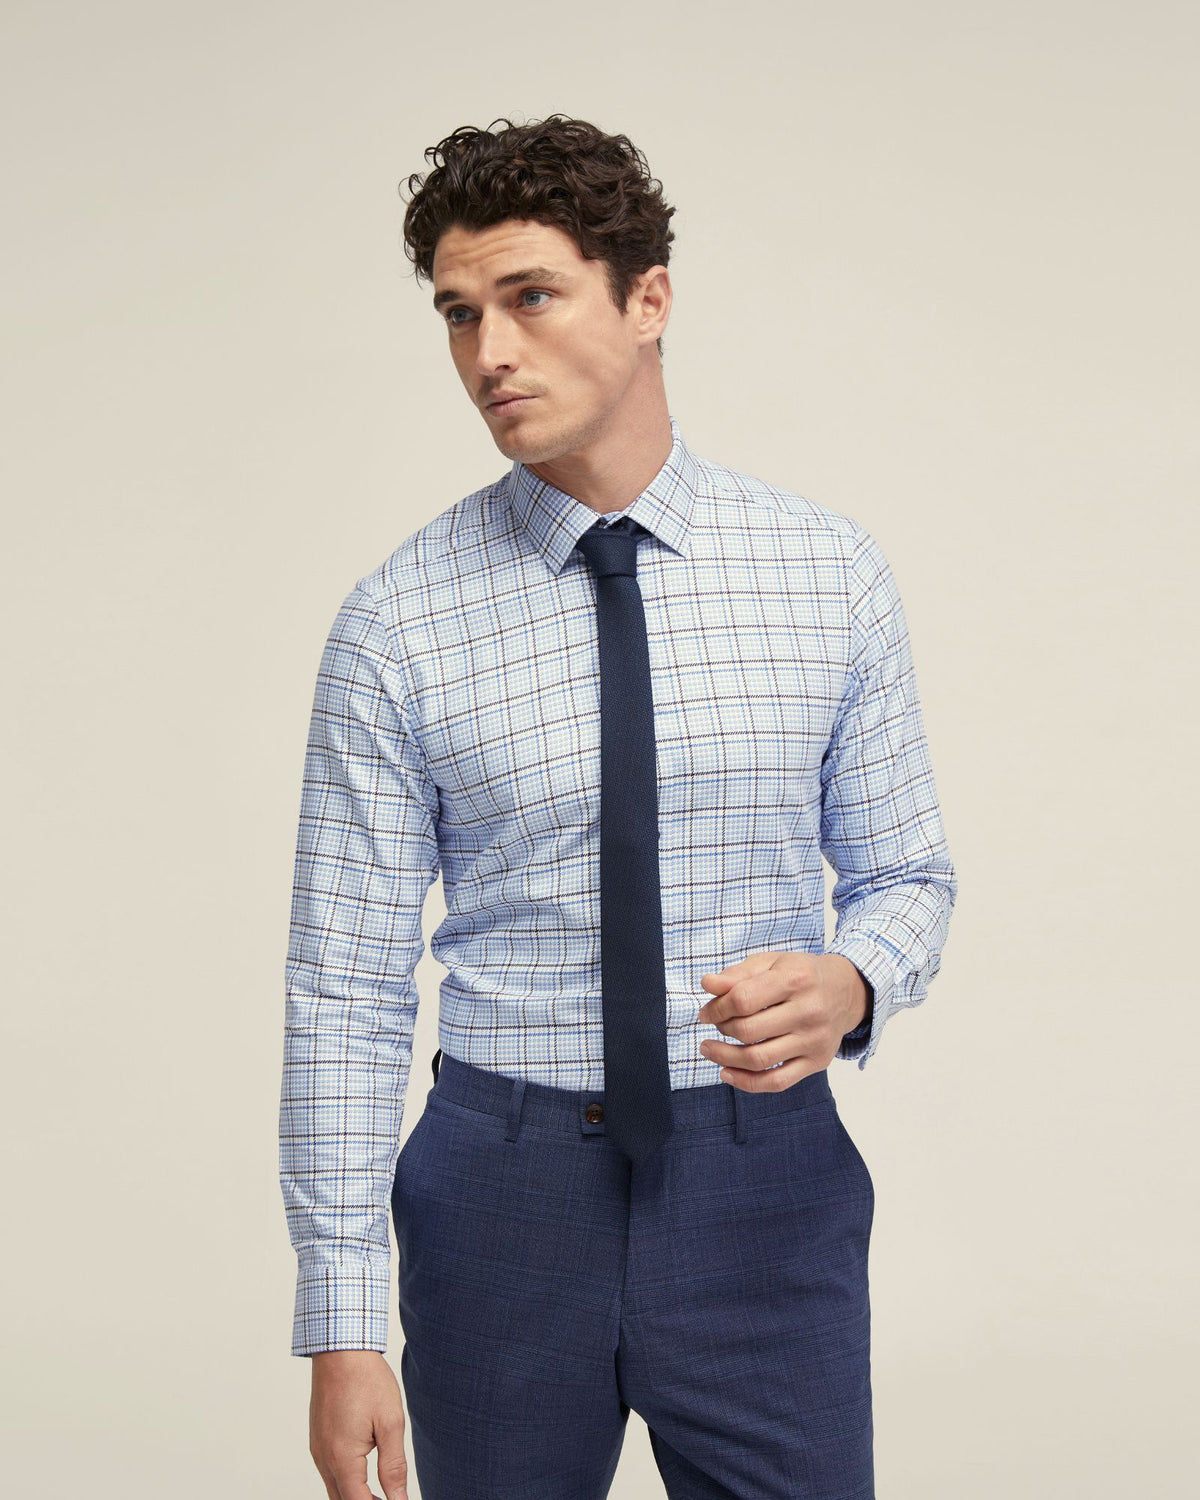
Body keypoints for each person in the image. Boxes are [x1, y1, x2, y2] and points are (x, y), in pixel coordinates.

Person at [278, 113, 957, 1500]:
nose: (490, 352)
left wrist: (852, 982)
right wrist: (342, 1320)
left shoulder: (826, 575)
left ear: (649, 299)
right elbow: (344, 987)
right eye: (458, 314)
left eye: (530, 296)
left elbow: (908, 878)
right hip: (500, 1198)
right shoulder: (398, 623)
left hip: (763, 1183)